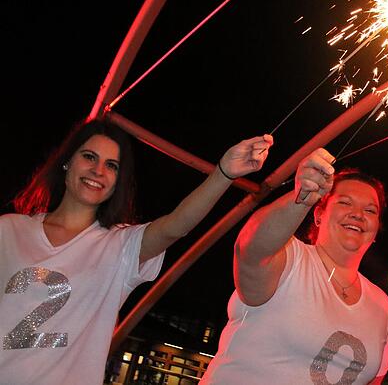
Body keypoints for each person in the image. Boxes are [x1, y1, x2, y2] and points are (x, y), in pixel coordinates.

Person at [0, 118, 273, 385]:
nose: (98, 170)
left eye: (111, 166)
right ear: (67, 161)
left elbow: (175, 226)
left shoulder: (120, 246)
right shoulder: (9, 230)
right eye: (89, 157)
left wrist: (223, 173)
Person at [201, 148, 388, 385]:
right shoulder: (288, 258)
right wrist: (302, 196)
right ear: (319, 214)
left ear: (376, 229)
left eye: (370, 210)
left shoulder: (382, 307)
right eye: (345, 203)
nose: (357, 215)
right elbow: (250, 247)